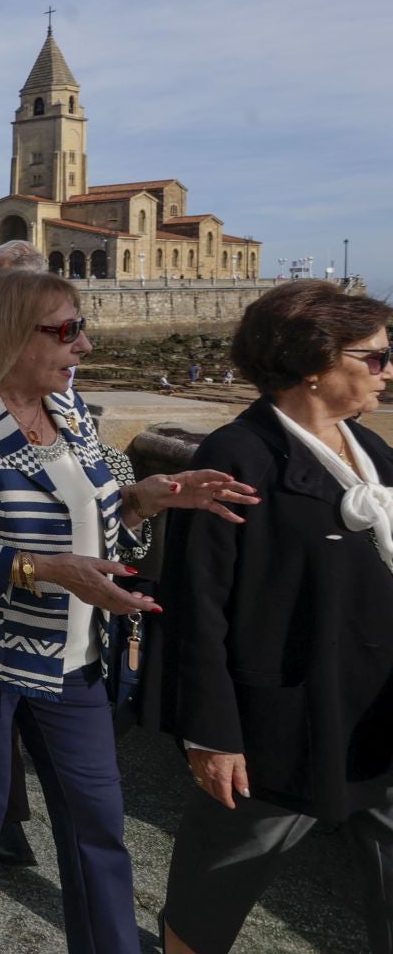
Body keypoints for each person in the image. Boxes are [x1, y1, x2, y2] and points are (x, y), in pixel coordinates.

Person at [0, 267, 255, 954]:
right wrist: (46, 571)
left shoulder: (70, 409)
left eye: (81, 327)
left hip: (74, 653)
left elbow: (99, 509)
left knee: (97, 819)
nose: (83, 345)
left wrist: (150, 497)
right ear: (5, 335)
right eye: (66, 330)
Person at [159, 281, 393, 954]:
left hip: (377, 714)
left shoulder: (371, 451)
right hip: (282, 725)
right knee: (216, 885)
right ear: (315, 365)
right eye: (374, 357)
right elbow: (198, 603)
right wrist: (211, 733)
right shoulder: (238, 456)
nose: (388, 370)